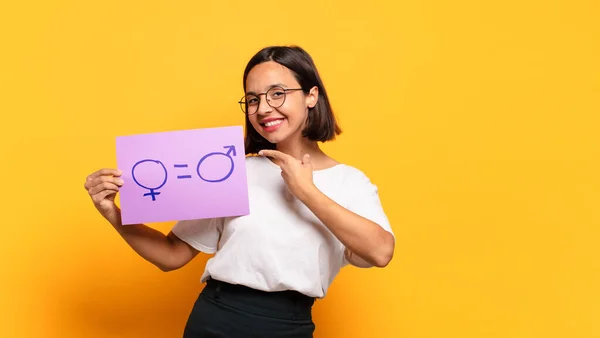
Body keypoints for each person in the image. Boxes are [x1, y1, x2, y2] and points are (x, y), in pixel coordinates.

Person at [83, 45, 395, 337]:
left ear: (311, 95)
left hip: (289, 325)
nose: (263, 109)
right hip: (216, 318)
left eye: (277, 94)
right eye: (254, 99)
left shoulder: (349, 182)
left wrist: (306, 191)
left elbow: (380, 252)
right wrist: (114, 214)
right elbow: (171, 255)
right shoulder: (231, 171)